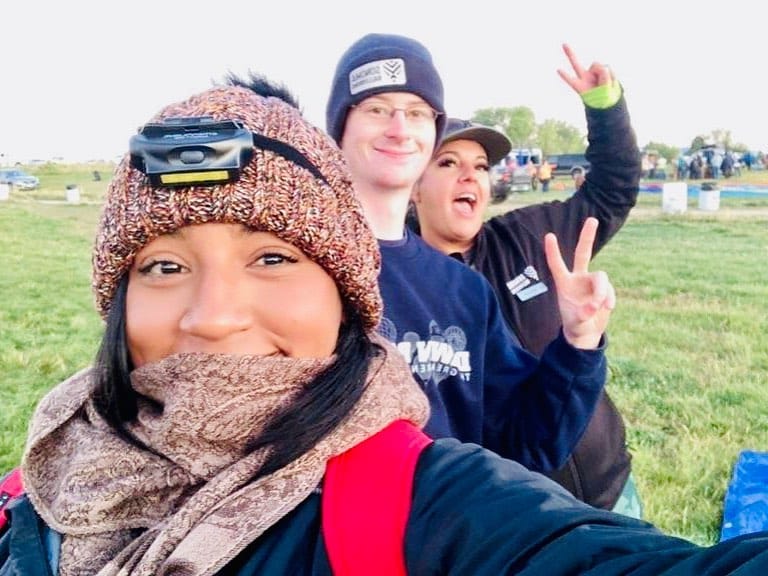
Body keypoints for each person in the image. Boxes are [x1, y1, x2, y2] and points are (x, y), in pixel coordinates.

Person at [5, 74, 768, 576]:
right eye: (164, 267)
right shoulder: (39, 489)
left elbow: (526, 478)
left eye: (272, 259)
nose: (214, 318)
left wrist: (577, 343)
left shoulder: (423, 485)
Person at [326, 33, 611, 474]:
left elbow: (526, 444)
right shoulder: (298, 266)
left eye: (417, 113)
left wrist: (579, 343)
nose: (400, 128)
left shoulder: (465, 292)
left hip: (448, 534)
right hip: (325, 537)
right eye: (377, 109)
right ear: (340, 127)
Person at [409, 45, 642, 515]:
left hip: (609, 489)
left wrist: (604, 108)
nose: (469, 177)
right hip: (516, 515)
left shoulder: (528, 235)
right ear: (414, 186)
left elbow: (613, 187)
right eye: (449, 163)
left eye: (479, 166)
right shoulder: (400, 281)